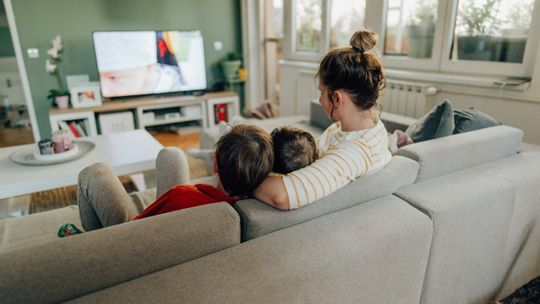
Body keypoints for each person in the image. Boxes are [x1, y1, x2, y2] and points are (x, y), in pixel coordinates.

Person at [254, 29, 392, 211]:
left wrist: (241, 174)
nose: (320, 100)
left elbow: (281, 196)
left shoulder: (354, 152)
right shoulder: (367, 127)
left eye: (322, 92)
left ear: (337, 98)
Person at [76, 124, 273, 232]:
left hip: (129, 237)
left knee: (94, 173)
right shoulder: (260, 206)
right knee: (172, 154)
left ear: (215, 165)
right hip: (182, 217)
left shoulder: (182, 196)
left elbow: (138, 225)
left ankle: (91, 237)